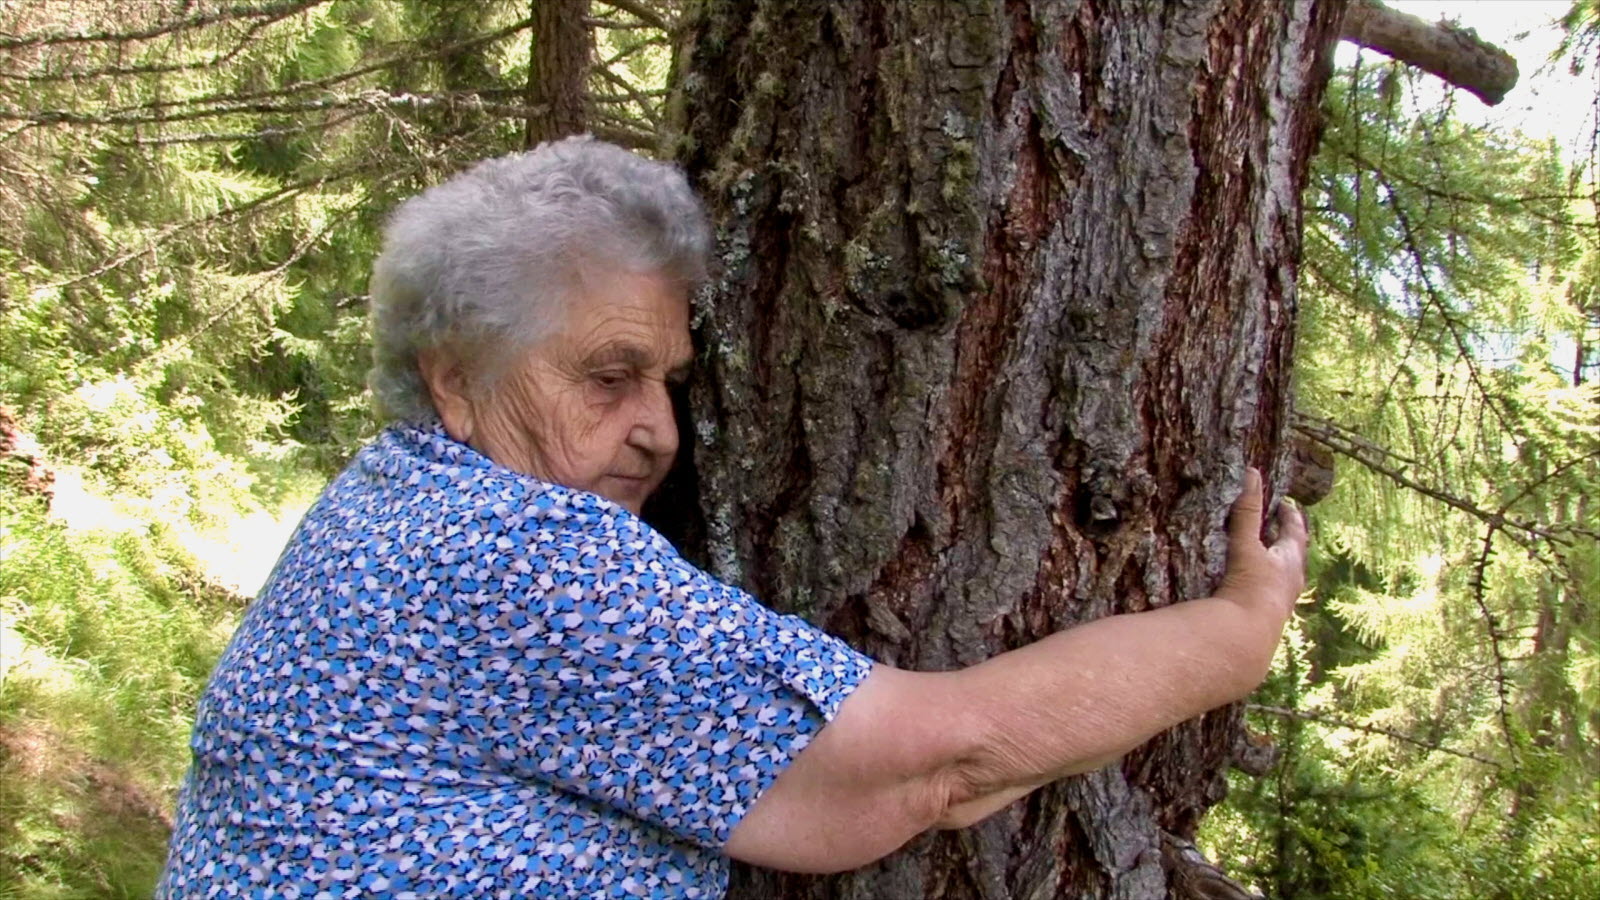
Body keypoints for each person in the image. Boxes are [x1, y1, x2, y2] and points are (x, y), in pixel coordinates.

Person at [158, 135, 1306, 898]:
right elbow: (938, 766)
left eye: (669, 381)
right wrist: (1237, 634)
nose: (659, 428)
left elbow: (967, 773)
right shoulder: (506, 547)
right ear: (455, 376)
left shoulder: (386, 500)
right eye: (609, 376)